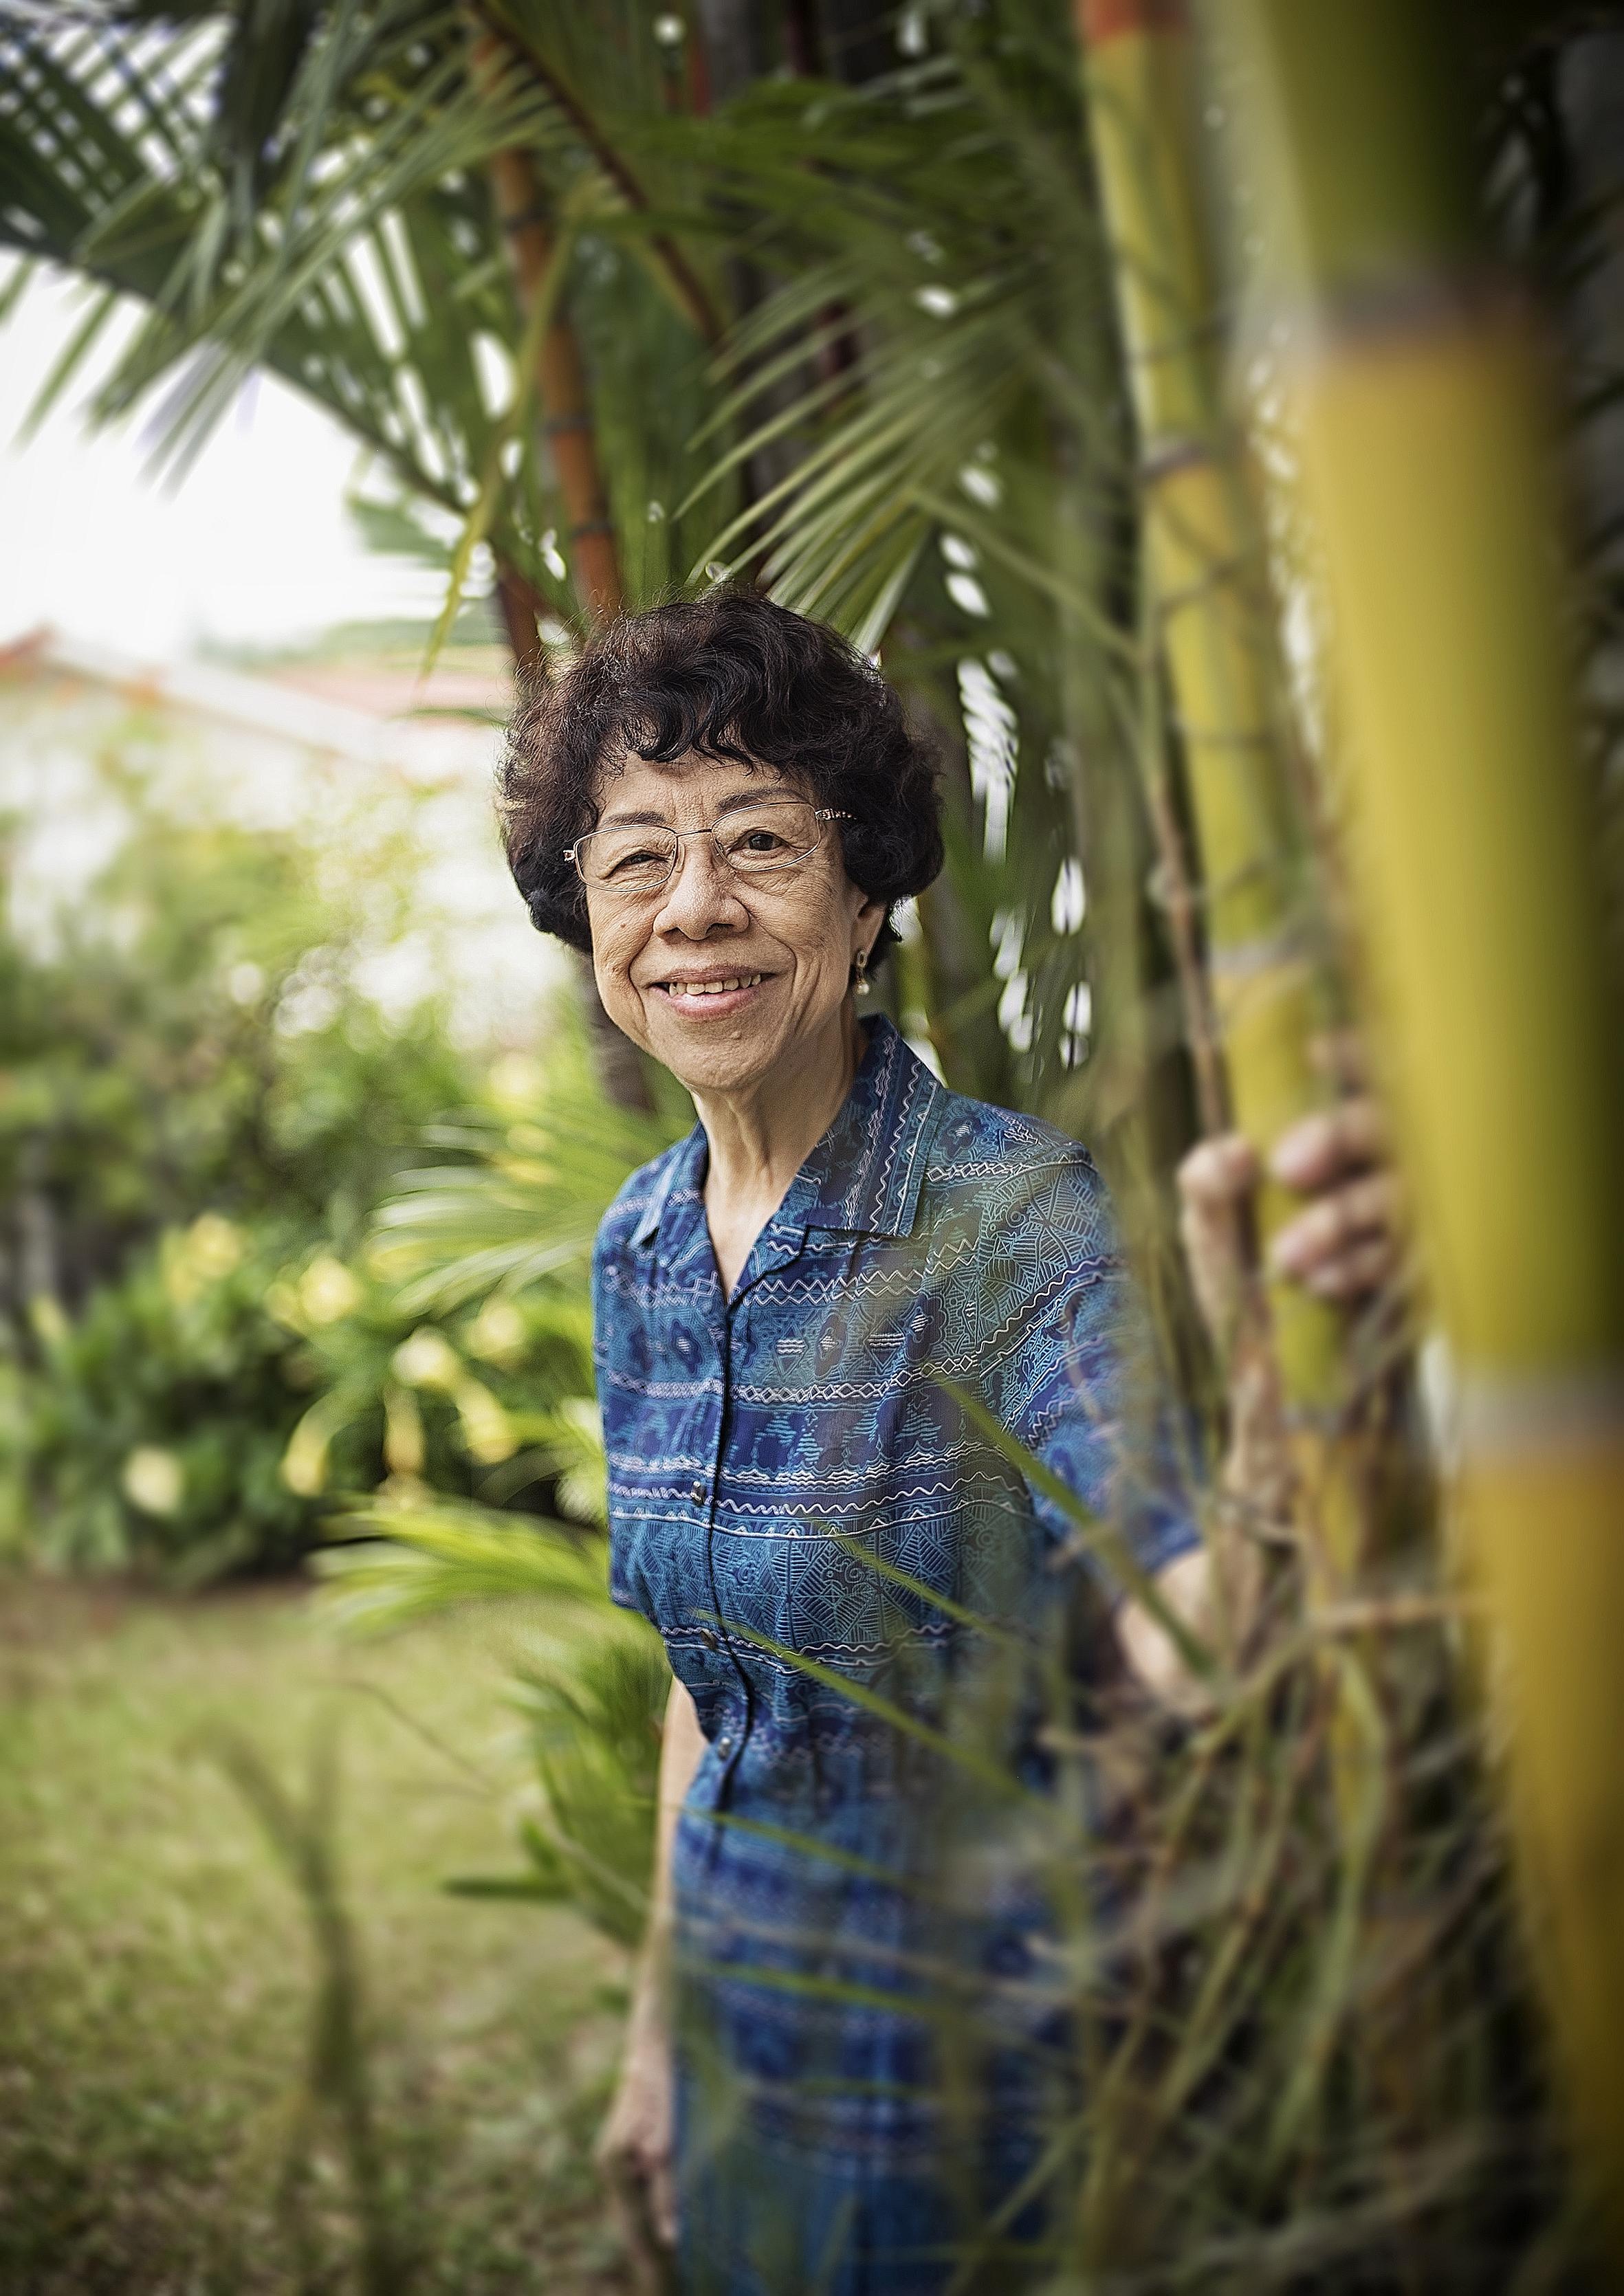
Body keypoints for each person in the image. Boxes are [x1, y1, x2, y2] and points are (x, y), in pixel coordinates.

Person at [499, 591, 1399, 2295]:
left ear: (861, 893)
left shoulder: (1001, 1213)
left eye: (760, 839)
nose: (695, 905)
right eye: (634, 860)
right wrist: (652, 2036)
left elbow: (1174, 1606)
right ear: (587, 923)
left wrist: (1293, 1398)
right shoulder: (639, 1248)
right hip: (740, 2028)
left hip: (983, 2065)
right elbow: (713, 1686)